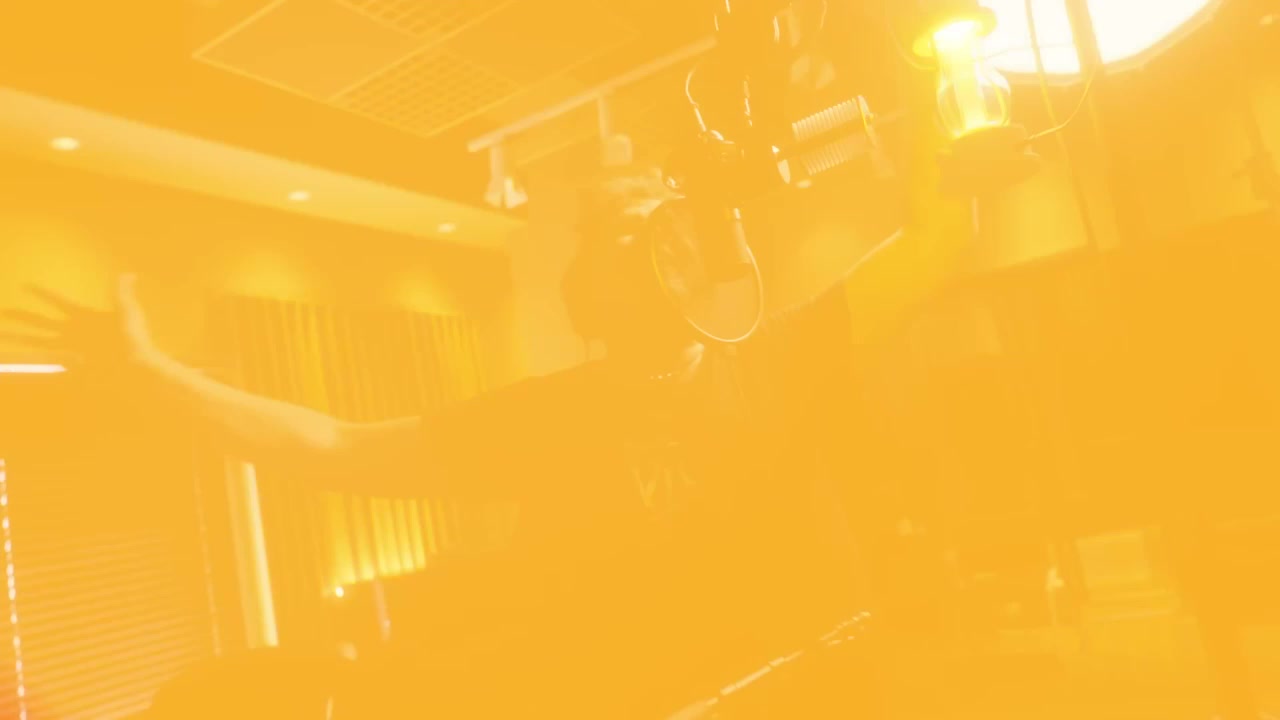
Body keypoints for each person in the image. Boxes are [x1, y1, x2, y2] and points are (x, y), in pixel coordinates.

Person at [0, 181, 958, 717]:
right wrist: (160, 380)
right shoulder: (545, 419)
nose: (660, 252)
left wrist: (945, 100)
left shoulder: (784, 356)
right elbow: (339, 447)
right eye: (632, 242)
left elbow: (939, 236)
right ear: (593, 294)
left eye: (668, 233)